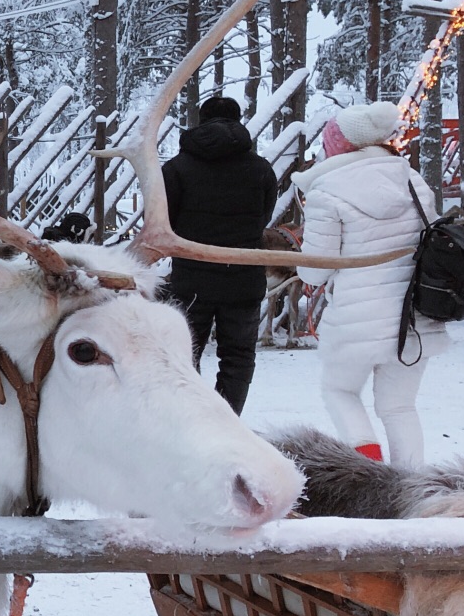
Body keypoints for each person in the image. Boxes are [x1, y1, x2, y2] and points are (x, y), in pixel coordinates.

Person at [296, 101, 439, 468]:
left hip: (357, 319)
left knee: (339, 391)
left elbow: (315, 270)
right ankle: (412, 487)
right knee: (400, 406)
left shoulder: (326, 190)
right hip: (413, 315)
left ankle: (369, 469)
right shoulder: (412, 180)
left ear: (338, 145)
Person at [160, 95, 278, 414]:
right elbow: (263, 219)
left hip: (190, 280)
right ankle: (227, 421)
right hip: (244, 278)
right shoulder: (261, 170)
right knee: (238, 357)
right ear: (239, 122)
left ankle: (193, 418)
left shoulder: (176, 168)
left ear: (201, 121)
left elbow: (164, 220)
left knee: (185, 355)